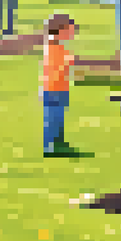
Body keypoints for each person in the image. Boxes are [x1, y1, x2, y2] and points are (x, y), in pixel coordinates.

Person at [40, 13, 78, 156]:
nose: (72, 35)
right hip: (53, 89)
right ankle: (50, 145)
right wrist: (68, 62)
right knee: (52, 119)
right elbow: (54, 70)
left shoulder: (56, 45)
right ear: (60, 30)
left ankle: (58, 143)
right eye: (70, 31)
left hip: (60, 88)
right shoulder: (52, 46)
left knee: (59, 118)